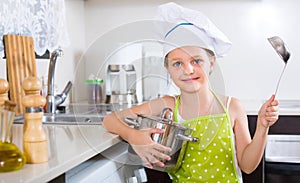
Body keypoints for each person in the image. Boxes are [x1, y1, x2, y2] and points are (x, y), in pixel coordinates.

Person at [102, 2, 279, 183]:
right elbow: (110, 120)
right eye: (177, 63)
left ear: (211, 63)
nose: (187, 70)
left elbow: (248, 166)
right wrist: (134, 137)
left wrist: (262, 127)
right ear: (168, 69)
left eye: (196, 61)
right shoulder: (167, 104)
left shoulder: (232, 107)